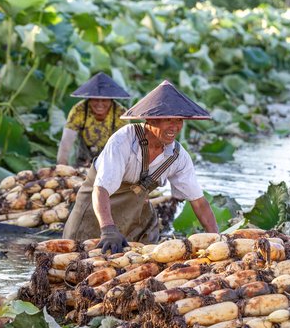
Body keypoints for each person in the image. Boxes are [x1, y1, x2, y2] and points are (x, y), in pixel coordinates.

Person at [63, 80, 219, 253]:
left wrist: (216, 238)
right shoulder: (123, 140)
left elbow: (198, 202)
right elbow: (101, 189)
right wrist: (107, 229)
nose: (174, 127)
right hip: (95, 212)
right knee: (76, 258)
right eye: (167, 119)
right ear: (150, 119)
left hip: (132, 217)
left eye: (179, 120)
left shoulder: (178, 156)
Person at [57, 72, 130, 166]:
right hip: (84, 158)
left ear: (111, 99)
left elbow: (125, 144)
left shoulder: (120, 113)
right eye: (95, 99)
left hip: (110, 158)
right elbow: (66, 141)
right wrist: (61, 166)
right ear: (89, 98)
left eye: (104, 100)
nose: (99, 104)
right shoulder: (79, 110)